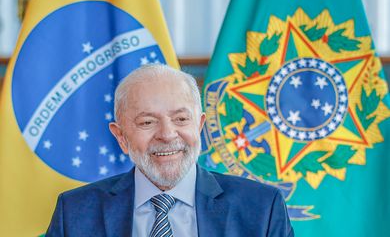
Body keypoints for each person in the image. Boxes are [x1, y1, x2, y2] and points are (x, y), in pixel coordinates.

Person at [46, 64, 294, 237]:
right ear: (121, 136)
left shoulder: (262, 208)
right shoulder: (75, 212)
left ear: (199, 125)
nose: (167, 134)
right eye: (147, 122)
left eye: (181, 119)